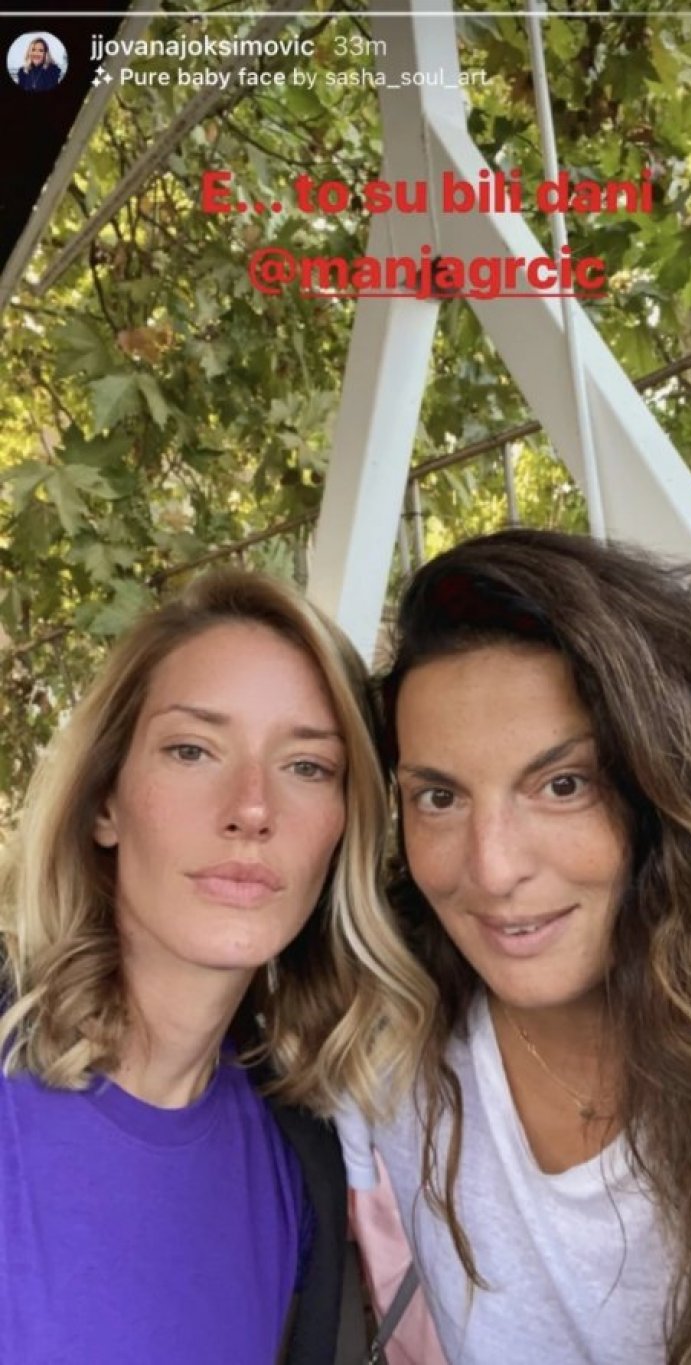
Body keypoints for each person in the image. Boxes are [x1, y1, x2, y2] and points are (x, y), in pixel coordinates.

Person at [339, 527, 691, 1365]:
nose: (493, 869)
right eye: (438, 797)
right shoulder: (386, 1050)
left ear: (664, 787)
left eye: (562, 784)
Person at [0, 568, 428, 1365]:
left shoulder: (299, 1162)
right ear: (105, 800)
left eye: (307, 765)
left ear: (345, 827)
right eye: (192, 750)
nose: (252, 808)